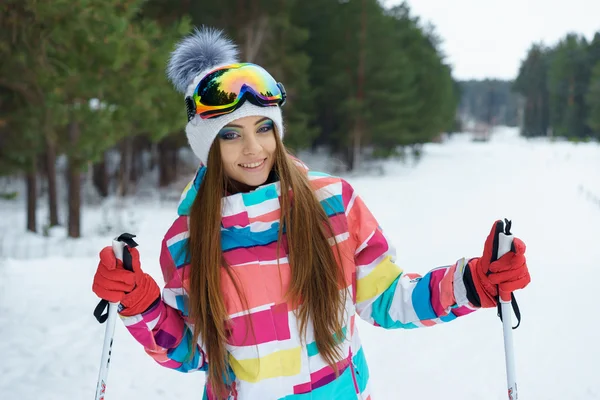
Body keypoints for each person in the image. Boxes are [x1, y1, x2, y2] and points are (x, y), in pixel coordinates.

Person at [92, 27, 530, 400]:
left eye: (264, 128)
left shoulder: (332, 203)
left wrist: (472, 282)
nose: (253, 149)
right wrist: (141, 302)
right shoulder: (185, 240)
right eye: (231, 135)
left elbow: (387, 299)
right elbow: (191, 351)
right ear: (207, 146)